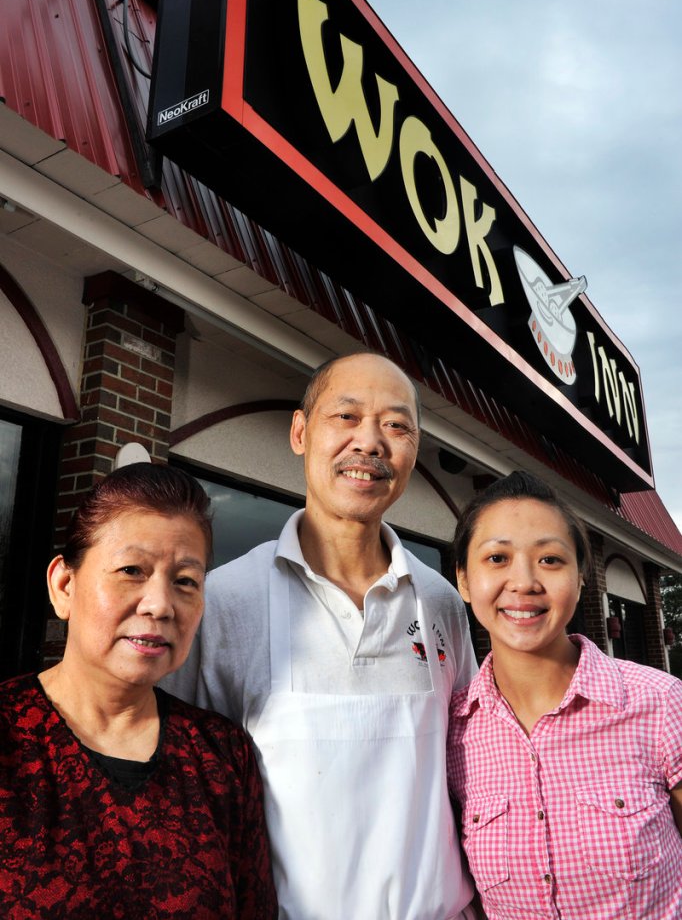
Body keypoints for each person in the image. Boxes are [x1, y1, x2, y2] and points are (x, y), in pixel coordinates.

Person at [165, 352, 478, 920]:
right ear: (301, 432)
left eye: (397, 425)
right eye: (347, 416)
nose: (371, 442)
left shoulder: (440, 602)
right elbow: (179, 794)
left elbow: (467, 770)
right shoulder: (227, 601)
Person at [0, 462, 277, 920]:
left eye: (185, 581)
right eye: (131, 570)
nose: (160, 604)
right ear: (64, 585)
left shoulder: (221, 756)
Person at [447, 469, 682, 920]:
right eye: (497, 558)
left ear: (581, 579)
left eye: (550, 560)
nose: (524, 582)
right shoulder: (453, 733)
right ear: (462, 579)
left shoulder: (659, 703)